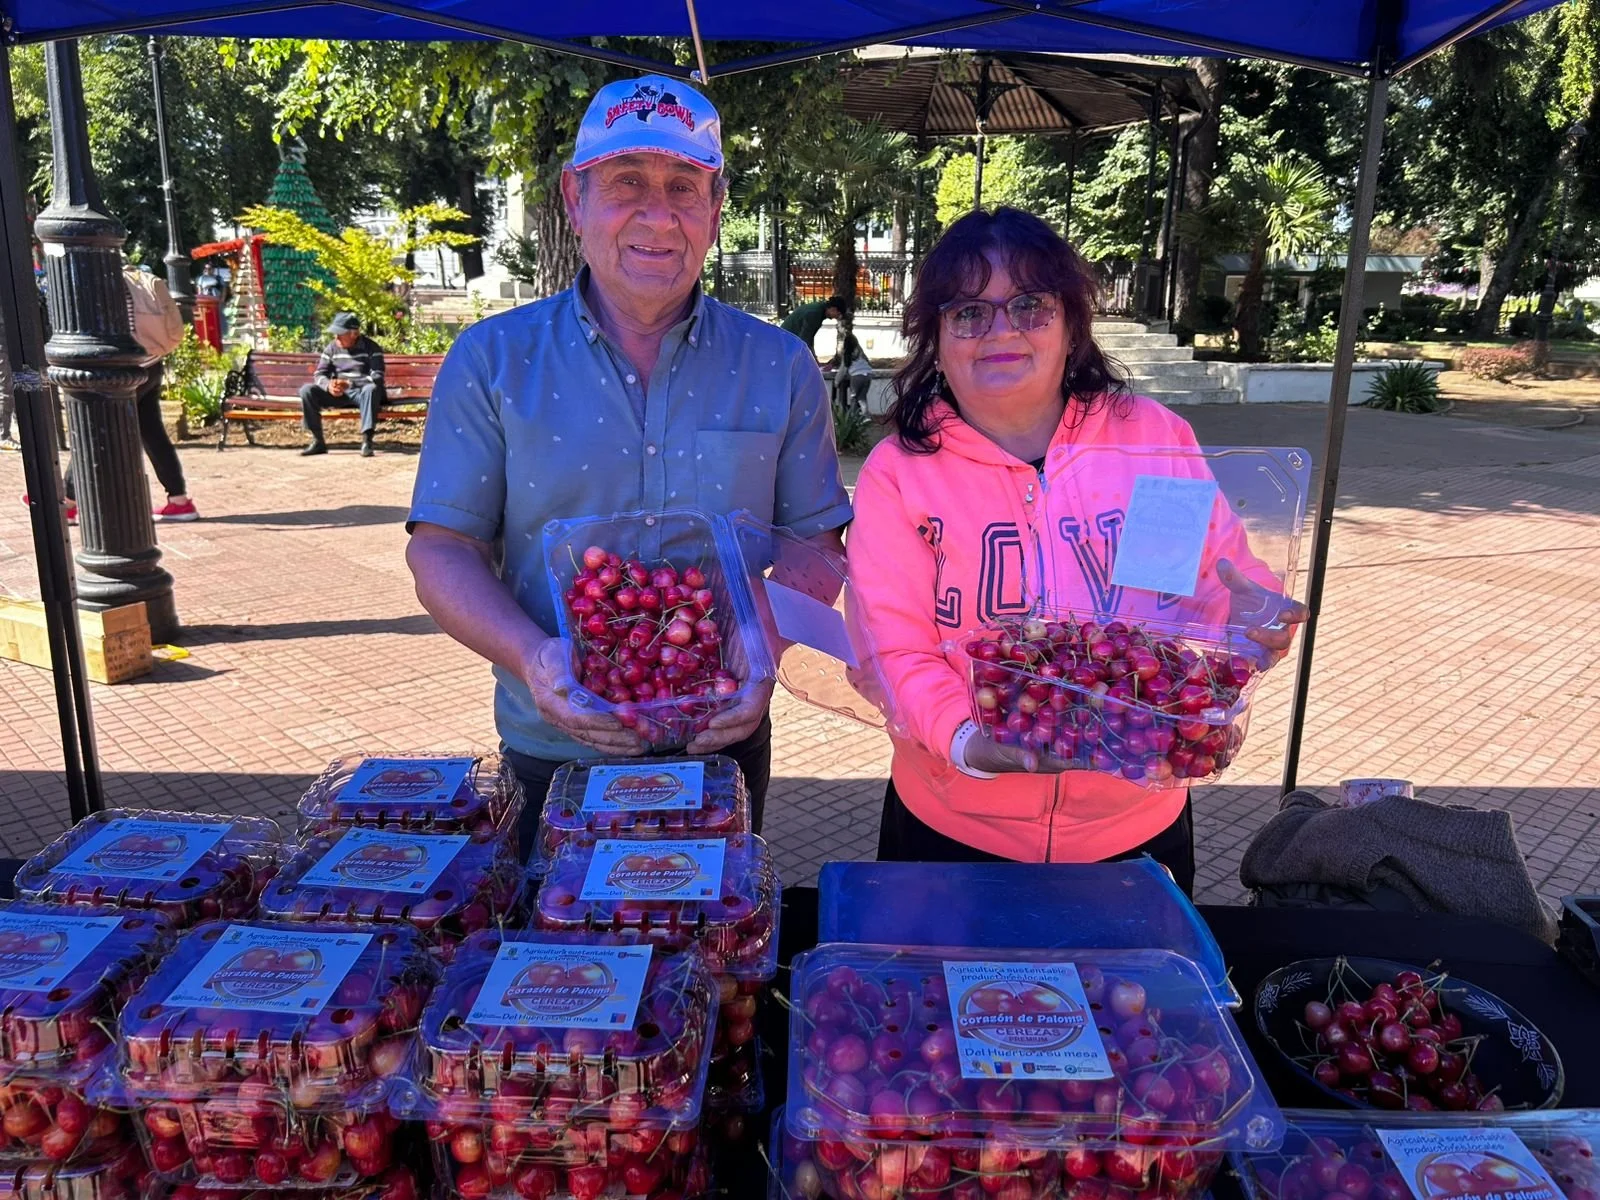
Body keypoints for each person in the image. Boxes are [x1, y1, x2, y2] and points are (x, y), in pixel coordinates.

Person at [405, 74, 852, 856]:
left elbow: (817, 542)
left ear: (715, 213)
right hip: (556, 747)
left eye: (685, 186)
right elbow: (441, 546)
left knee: (719, 963)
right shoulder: (492, 360)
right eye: (627, 184)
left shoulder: (779, 365)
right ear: (575, 203)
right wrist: (533, 658)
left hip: (722, 741)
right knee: (566, 958)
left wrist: (766, 643)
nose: (658, 214)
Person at [845, 208, 1307, 893]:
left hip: (1135, 826)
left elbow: (1191, 599)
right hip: (953, 828)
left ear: (1070, 326)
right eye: (969, 312)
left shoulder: (1149, 442)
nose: (1001, 330)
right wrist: (972, 745)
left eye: (1029, 306)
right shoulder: (901, 472)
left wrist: (1247, 616)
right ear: (935, 338)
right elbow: (896, 648)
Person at [57, 267, 198, 523]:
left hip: (125, 370)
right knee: (152, 433)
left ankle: (68, 501)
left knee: (93, 428)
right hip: (151, 362)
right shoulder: (131, 279)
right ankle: (179, 500)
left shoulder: (102, 284)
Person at [300, 313, 386, 457]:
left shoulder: (371, 347)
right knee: (307, 390)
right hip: (339, 394)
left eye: (340, 333)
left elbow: (377, 376)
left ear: (354, 334)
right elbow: (319, 374)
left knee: (370, 389)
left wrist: (349, 383)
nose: (336, 337)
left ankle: (367, 441)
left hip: (361, 392)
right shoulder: (332, 348)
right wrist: (329, 386)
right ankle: (318, 441)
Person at [781, 294, 845, 359]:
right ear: (833, 309)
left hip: (788, 339)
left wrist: (814, 358)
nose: (837, 317)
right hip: (786, 340)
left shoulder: (819, 311)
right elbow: (805, 340)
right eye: (838, 314)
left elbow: (809, 338)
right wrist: (813, 361)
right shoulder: (815, 313)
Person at [827, 332, 874, 413]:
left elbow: (843, 370)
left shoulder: (847, 354)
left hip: (856, 376)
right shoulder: (860, 352)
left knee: (854, 398)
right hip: (868, 374)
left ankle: (852, 418)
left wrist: (836, 382)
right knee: (862, 398)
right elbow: (868, 362)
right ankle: (866, 417)